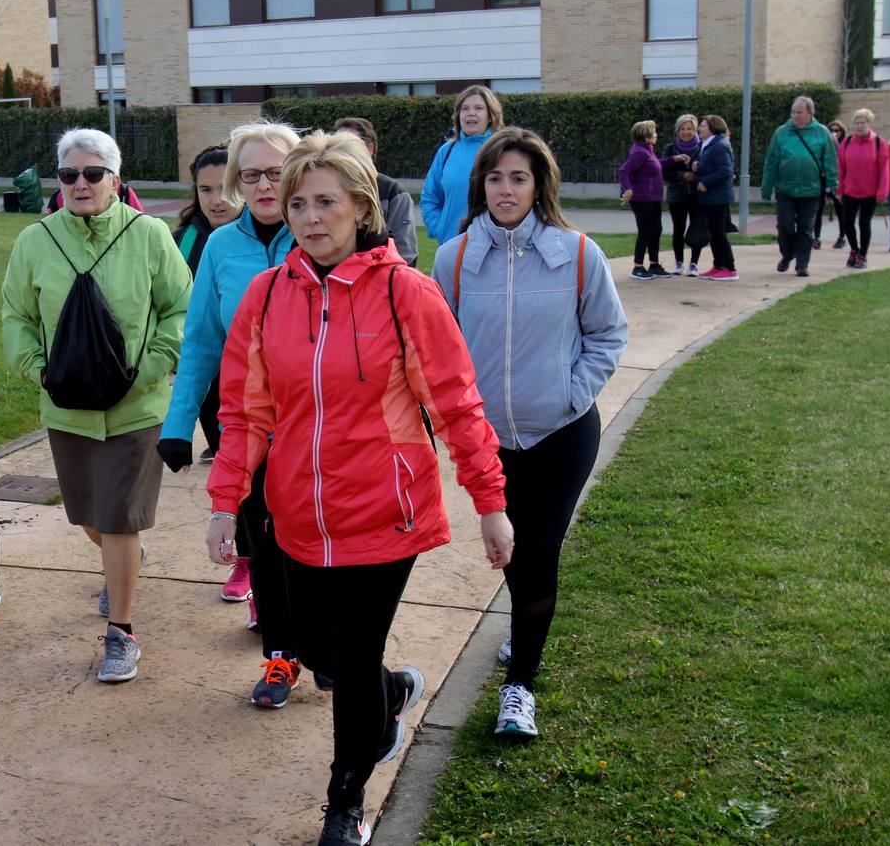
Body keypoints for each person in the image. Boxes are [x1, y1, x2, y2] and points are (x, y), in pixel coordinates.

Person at [207, 131, 514, 846]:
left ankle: (344, 804)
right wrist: (227, 499)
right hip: (297, 516)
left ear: (360, 206)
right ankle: (395, 691)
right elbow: (244, 411)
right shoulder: (265, 295)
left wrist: (491, 504)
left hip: (386, 512)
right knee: (319, 652)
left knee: (349, 664)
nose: (311, 218)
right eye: (299, 204)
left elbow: (457, 406)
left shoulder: (406, 292)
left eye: (327, 202)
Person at [431, 127, 627, 742]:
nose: (506, 189)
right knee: (514, 549)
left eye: (519, 177)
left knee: (539, 547)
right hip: (489, 441)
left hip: (564, 432)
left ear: (539, 184)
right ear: (480, 185)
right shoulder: (454, 258)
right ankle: (525, 623)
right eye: (495, 178)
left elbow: (608, 333)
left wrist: (571, 390)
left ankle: (522, 686)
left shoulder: (579, 252)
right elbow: (441, 351)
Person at [2, 127, 191, 683]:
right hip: (68, 409)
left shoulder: (150, 236)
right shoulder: (35, 241)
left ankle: (122, 633)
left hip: (136, 407)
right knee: (88, 514)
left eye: (91, 174)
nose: (79, 184)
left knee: (118, 518)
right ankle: (125, 558)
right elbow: (15, 315)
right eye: (67, 175)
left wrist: (151, 368)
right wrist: (38, 369)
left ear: (114, 179)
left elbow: (182, 309)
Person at [157, 121, 313, 706]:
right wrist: (177, 426)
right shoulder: (221, 246)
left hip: (316, 425)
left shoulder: (319, 236)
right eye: (250, 175)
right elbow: (199, 339)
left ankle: (320, 644)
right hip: (243, 424)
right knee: (264, 543)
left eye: (276, 172)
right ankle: (280, 656)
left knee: (317, 540)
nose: (264, 185)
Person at [170, 142, 250, 600]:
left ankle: (253, 566)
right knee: (230, 470)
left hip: (261, 383)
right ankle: (245, 559)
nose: (216, 199)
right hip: (209, 378)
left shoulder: (278, 236)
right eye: (205, 190)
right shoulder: (185, 238)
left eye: (223, 188)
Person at [761, 95, 839, 277]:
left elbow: (830, 161)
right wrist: (767, 186)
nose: (795, 116)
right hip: (785, 189)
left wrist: (831, 185)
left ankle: (802, 264)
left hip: (811, 190)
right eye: (793, 112)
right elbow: (771, 161)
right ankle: (788, 254)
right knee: (785, 226)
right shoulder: (781, 132)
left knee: (805, 228)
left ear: (810, 113)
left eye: (799, 112)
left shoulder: (822, 133)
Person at [421, 85, 503, 245]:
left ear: (490, 115)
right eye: (465, 108)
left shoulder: (502, 149)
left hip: (495, 247)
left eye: (478, 108)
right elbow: (429, 198)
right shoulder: (446, 152)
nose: (471, 113)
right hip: (452, 247)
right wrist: (439, 229)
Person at [333, 116, 419, 267]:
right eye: (335, 145)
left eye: (348, 145)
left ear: (369, 148)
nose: (340, 151)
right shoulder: (328, 188)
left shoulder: (393, 192)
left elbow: (406, 254)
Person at [619, 119, 687, 279]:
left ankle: (654, 264)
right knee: (646, 231)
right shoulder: (640, 152)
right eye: (654, 132)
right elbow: (624, 170)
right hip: (642, 199)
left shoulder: (647, 151)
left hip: (653, 199)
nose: (656, 134)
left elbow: (655, 164)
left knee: (656, 230)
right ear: (646, 136)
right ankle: (638, 267)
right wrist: (627, 189)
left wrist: (673, 160)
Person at [836, 108, 889, 271]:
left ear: (869, 124)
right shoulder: (847, 142)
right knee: (847, 221)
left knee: (864, 223)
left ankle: (862, 255)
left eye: (862, 122)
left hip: (870, 193)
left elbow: (884, 168)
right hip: (850, 190)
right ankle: (854, 249)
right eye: (857, 123)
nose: (859, 126)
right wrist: (840, 189)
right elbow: (841, 166)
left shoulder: (879, 143)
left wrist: (882, 192)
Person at [695, 115, 739, 280]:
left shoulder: (720, 145)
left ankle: (729, 267)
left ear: (713, 127)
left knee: (719, 233)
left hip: (718, 197)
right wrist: (698, 166)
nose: (700, 128)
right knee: (713, 232)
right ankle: (718, 264)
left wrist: (706, 182)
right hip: (709, 197)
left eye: (703, 126)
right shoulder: (708, 144)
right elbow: (711, 165)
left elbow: (726, 170)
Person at [661, 114, 701, 274]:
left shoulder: (702, 147)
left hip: (697, 195)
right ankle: (679, 262)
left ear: (695, 130)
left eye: (690, 129)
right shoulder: (669, 149)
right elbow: (664, 172)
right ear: (678, 131)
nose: (686, 132)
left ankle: (694, 263)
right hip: (676, 195)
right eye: (683, 129)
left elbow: (707, 168)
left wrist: (695, 176)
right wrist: (682, 176)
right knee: (678, 228)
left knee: (696, 227)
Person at [814, 119, 848, 249]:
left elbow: (843, 158)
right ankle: (816, 237)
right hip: (822, 179)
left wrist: (835, 143)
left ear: (841, 132)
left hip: (836, 180)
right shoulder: (823, 143)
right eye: (831, 130)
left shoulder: (844, 144)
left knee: (840, 209)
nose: (834, 133)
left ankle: (842, 236)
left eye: (836, 130)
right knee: (819, 207)